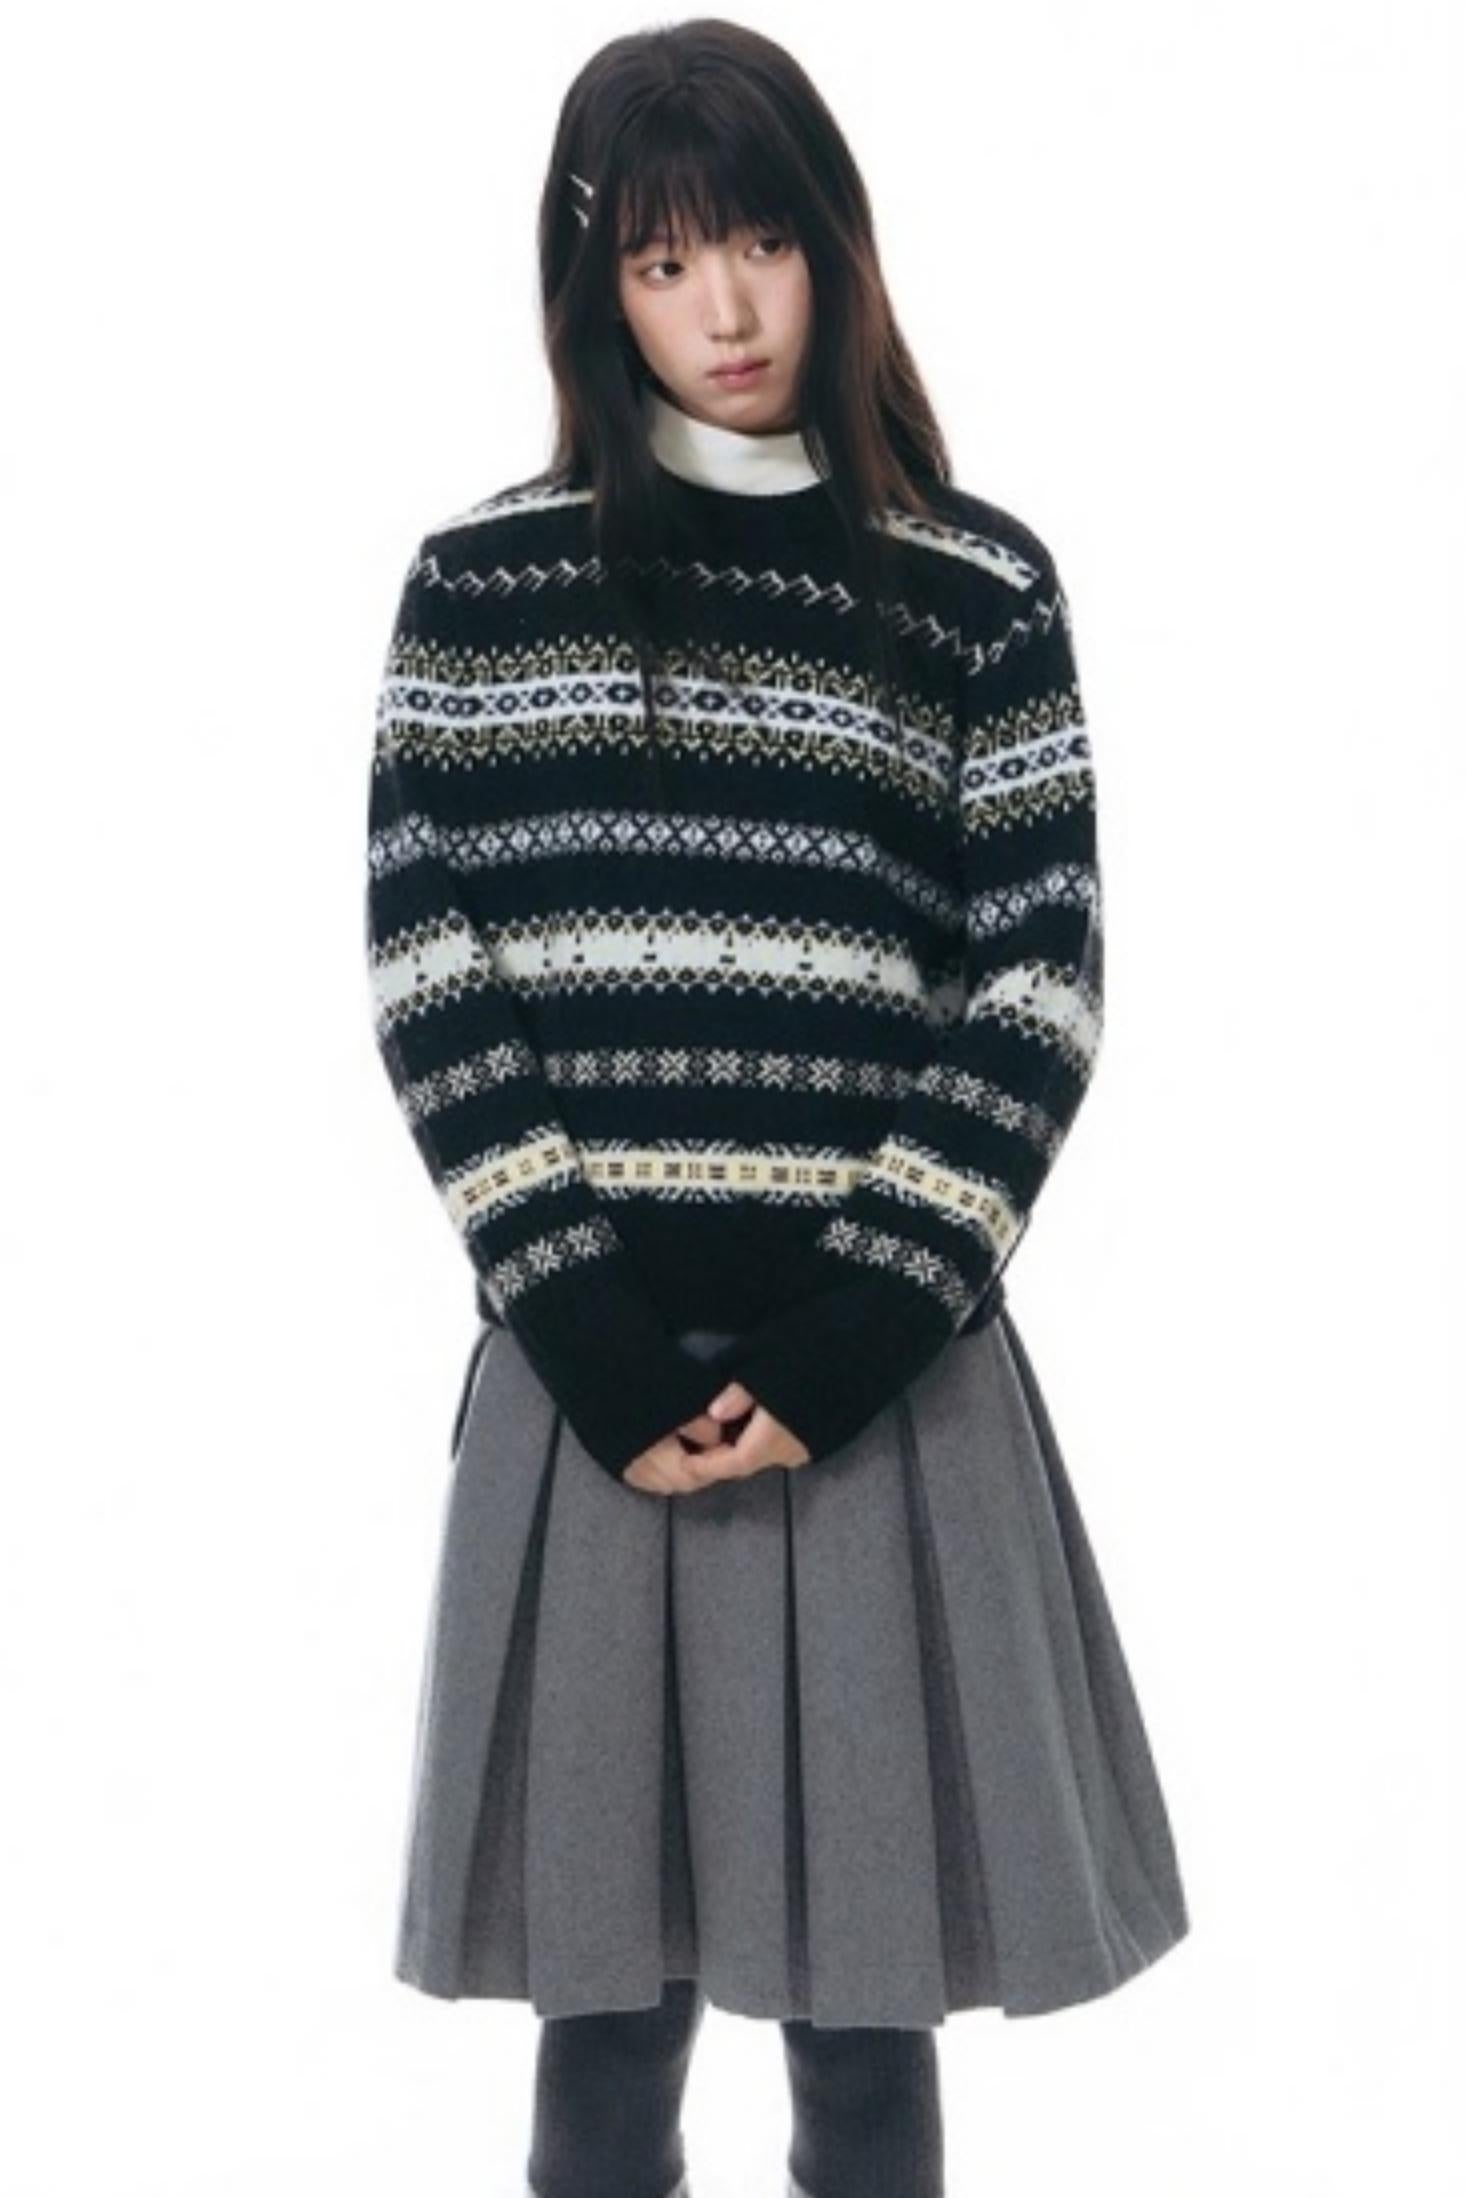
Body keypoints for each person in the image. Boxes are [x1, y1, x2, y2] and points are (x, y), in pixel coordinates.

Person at [364, 20, 1190, 2198]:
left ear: (834, 243)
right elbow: (434, 984)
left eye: (758, 243)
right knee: (599, 2036)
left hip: (883, 1398)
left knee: (865, 2034)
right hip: (590, 1398)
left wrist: (845, 1340)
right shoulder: (481, 591)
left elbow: (1035, 988)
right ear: (594, 286)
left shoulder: (974, 588)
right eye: (661, 263)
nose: (723, 309)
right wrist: (586, 1330)